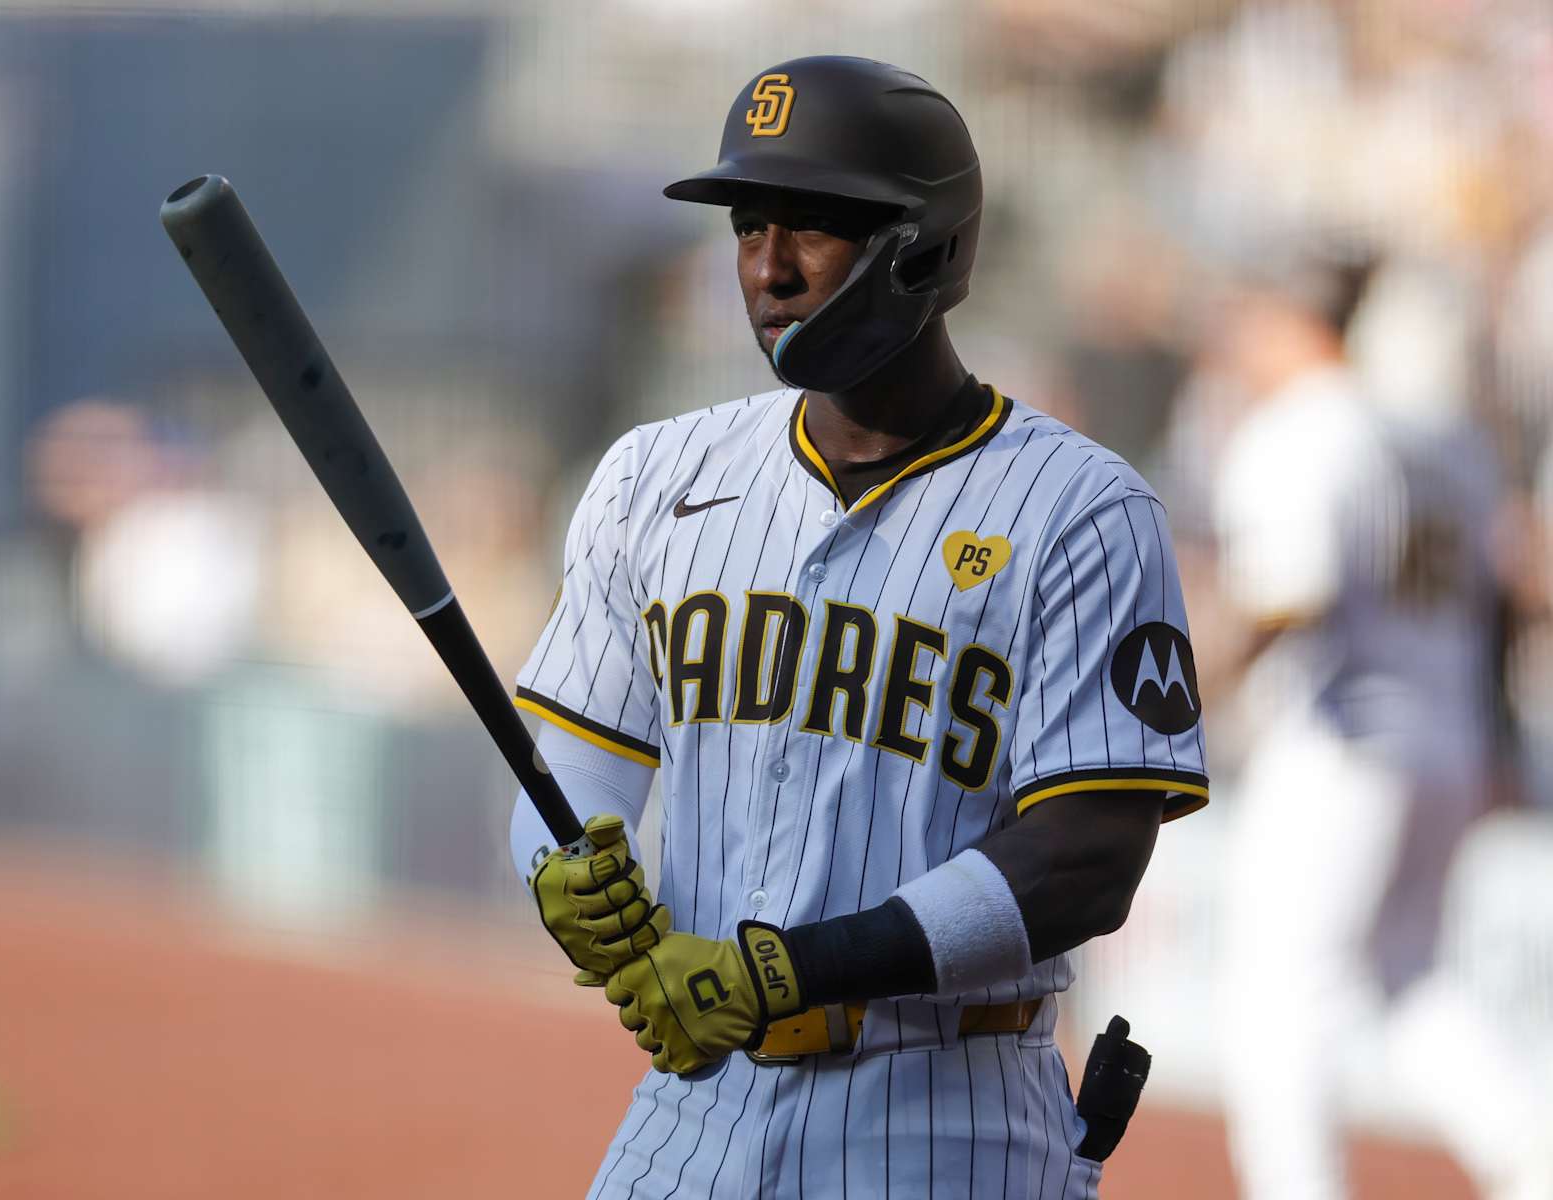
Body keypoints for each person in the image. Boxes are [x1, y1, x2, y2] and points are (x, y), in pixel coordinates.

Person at [510, 56, 1208, 1198]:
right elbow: (575, 762)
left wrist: (791, 972)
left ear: (923, 249)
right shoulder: (654, 475)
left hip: (946, 1115)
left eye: (813, 230)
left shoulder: (1084, 511)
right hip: (693, 1112)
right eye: (749, 227)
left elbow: (1088, 859)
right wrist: (566, 866)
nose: (767, 269)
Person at [1210, 254, 1553, 1200]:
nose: (1240, 341)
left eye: (1255, 318)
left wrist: (1174, 710)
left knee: (1278, 1002)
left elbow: (1290, 593)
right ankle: (1533, 1147)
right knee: (1408, 979)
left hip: (1341, 745)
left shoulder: (1313, 428)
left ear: (1303, 324)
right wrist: (1499, 744)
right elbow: (1504, 608)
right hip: (1442, 743)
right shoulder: (1457, 444)